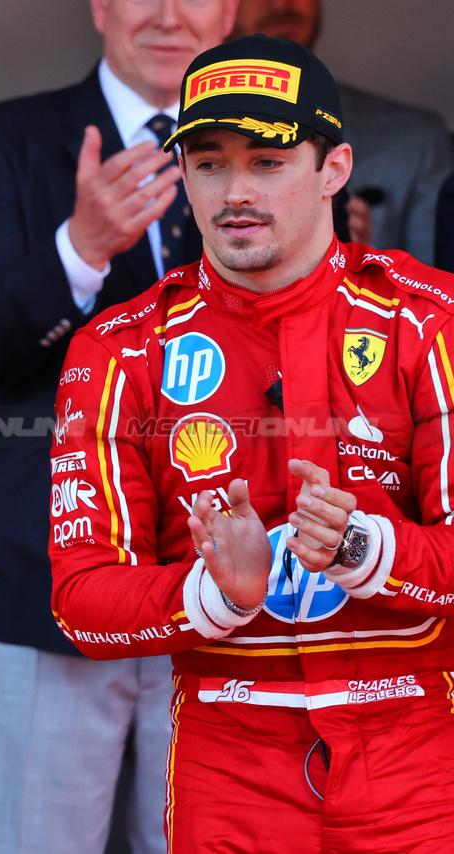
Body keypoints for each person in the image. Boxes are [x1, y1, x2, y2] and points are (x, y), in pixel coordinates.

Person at [52, 34, 454, 851]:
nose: (235, 191)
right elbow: (81, 604)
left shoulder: (428, 321)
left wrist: (367, 548)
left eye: (268, 162)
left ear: (334, 168)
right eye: (208, 163)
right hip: (226, 757)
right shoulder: (119, 350)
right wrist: (216, 595)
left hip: (417, 748)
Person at [0, 0, 237, 851]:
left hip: (230, 588)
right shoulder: (5, 139)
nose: (169, 14)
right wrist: (81, 247)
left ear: (232, 9)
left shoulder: (273, 145)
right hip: (49, 578)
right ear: (100, 4)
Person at [230, 0, 454, 264]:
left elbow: (435, 293)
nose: (281, 4)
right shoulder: (173, 137)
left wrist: (360, 259)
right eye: (209, 165)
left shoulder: (416, 139)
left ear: (338, 168)